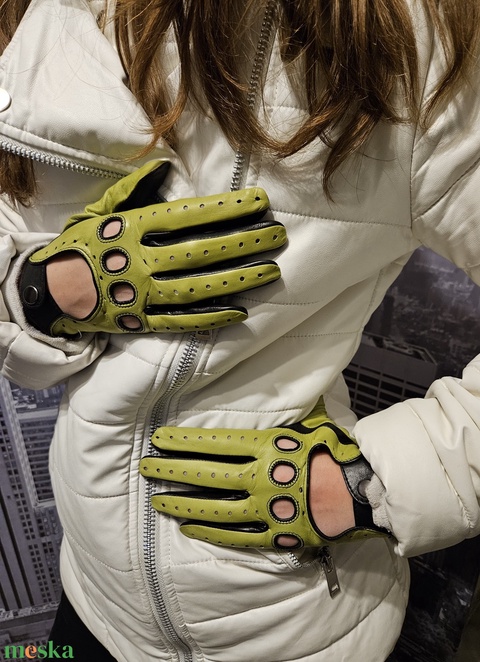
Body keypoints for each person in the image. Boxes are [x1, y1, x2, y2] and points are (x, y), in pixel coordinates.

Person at [0, 1, 479, 660]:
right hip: (93, 599)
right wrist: (40, 289)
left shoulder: (410, 41)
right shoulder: (56, 16)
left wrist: (371, 483)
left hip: (293, 624)